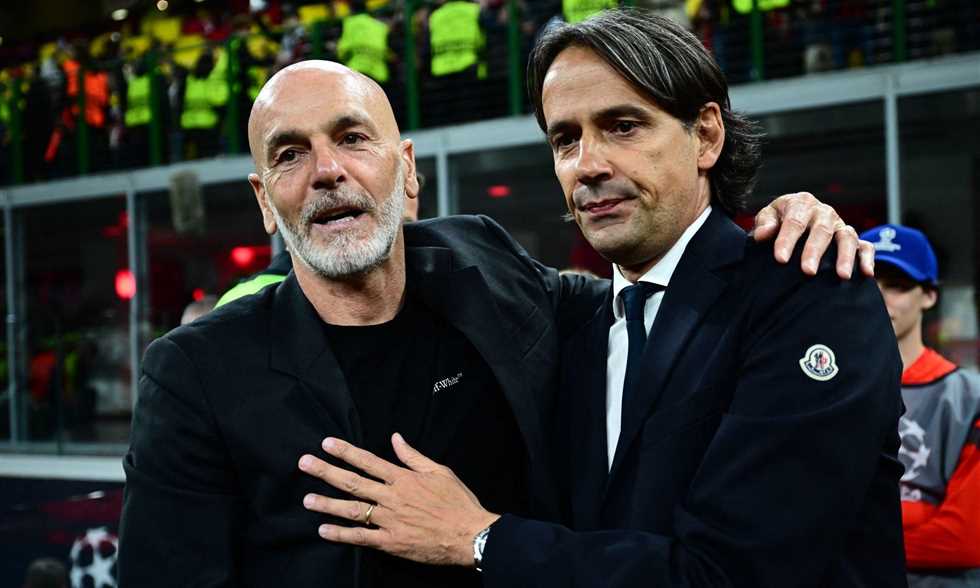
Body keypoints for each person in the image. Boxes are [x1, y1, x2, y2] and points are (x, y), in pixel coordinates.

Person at [118, 58, 868, 586]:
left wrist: (775, 225)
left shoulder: (489, 272)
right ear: (264, 199)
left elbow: (667, 283)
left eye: (352, 138)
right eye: (290, 154)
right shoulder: (198, 373)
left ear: (408, 168)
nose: (327, 171)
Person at [298, 10, 906, 587]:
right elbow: (452, 252)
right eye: (565, 139)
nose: (586, 165)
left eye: (623, 126)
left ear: (706, 135)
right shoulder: (572, 321)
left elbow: (732, 574)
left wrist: (481, 539)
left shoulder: (810, 295)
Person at [861, 223, 980, 587]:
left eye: (897, 285)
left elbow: (965, 538)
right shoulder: (824, 388)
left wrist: (840, 542)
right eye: (867, 281)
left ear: (928, 295)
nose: (879, 297)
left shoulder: (968, 396)